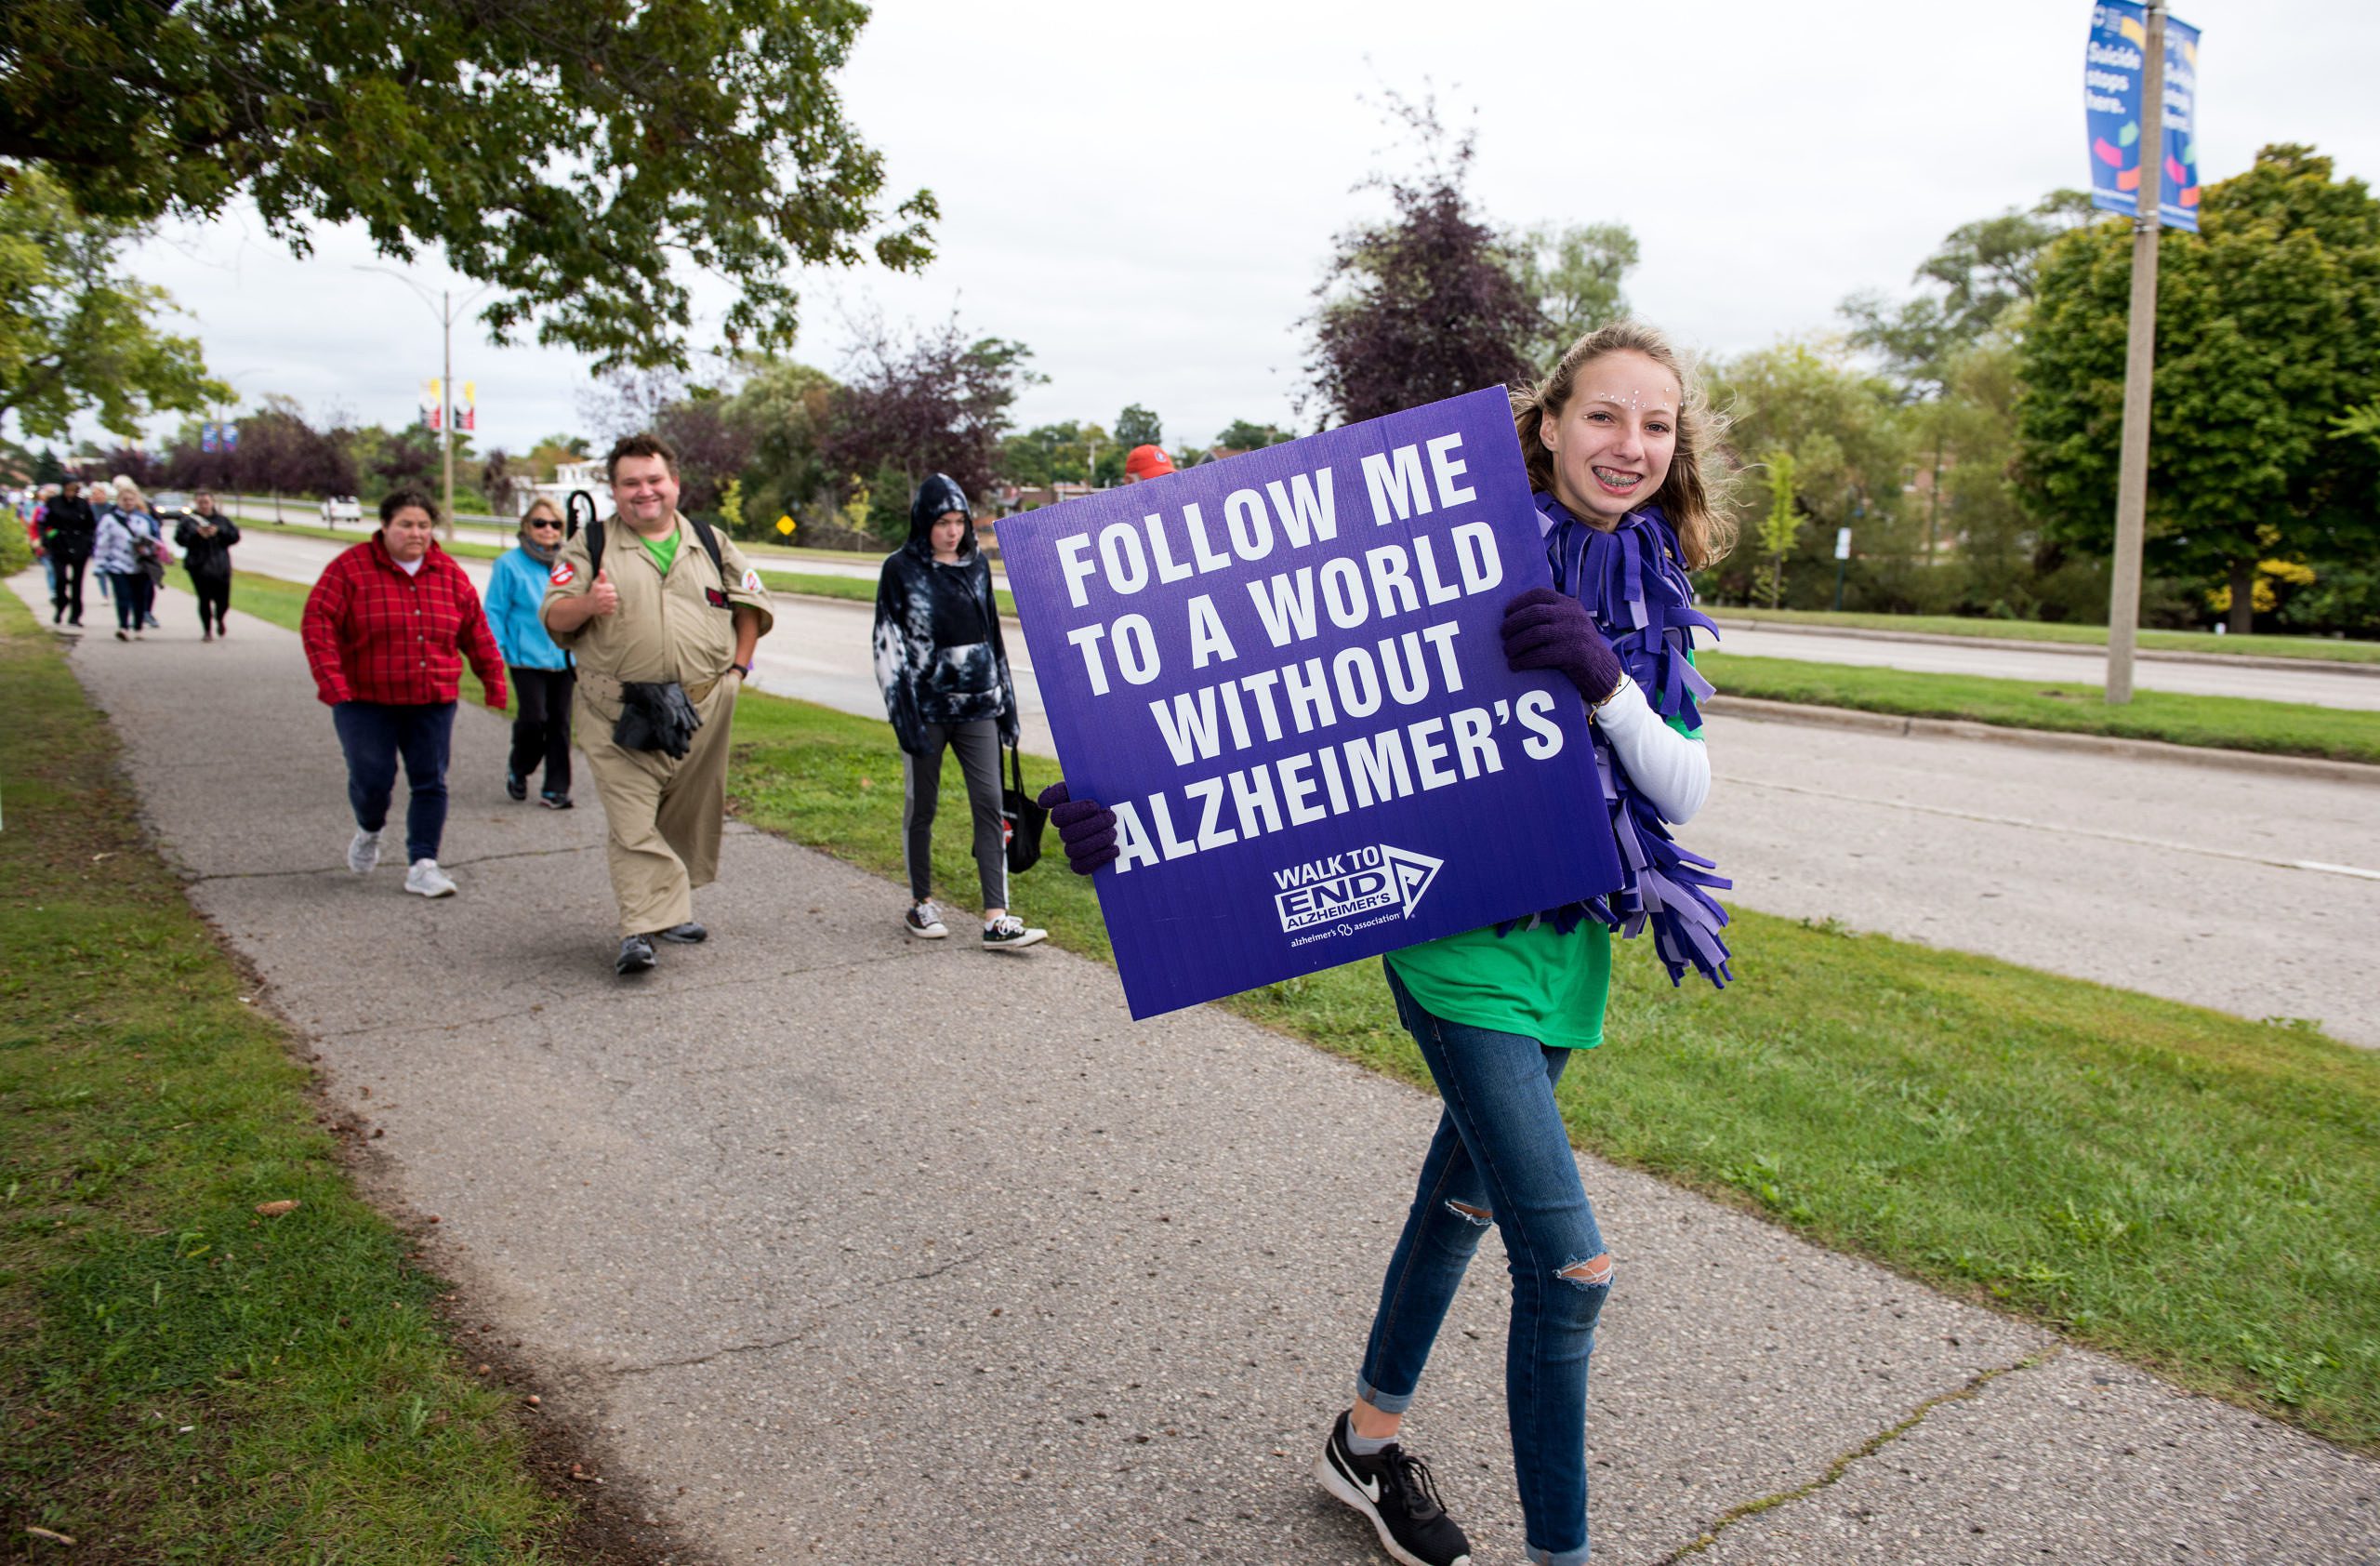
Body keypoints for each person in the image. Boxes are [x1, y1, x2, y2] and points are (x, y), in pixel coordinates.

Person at [1039, 322, 1739, 1566]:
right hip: (1451, 942)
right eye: (1603, 416)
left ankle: (1363, 1443)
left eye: (1657, 424)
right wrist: (1126, 820)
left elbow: (1680, 789)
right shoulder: (1446, 550)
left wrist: (1605, 683)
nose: (1630, 444)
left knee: (1462, 1200)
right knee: (1571, 1272)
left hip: (1567, 948)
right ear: (1549, 424)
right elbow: (1266, 686)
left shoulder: (1652, 578)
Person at [540, 433, 773, 975]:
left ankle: (667, 912)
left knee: (685, 812)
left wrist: (737, 670)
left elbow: (752, 603)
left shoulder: (710, 541)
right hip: (617, 711)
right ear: (614, 490)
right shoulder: (589, 544)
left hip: (702, 706)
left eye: (654, 480)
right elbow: (554, 616)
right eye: (630, 483)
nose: (644, 492)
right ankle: (637, 930)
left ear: (674, 483)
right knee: (632, 821)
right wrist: (587, 603)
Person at [300, 488, 508, 899]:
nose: (416, 533)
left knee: (431, 781)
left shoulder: (449, 574)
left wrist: (493, 680)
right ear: (385, 526)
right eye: (406, 525)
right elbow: (317, 623)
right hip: (363, 699)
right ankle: (369, 829)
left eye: (424, 525)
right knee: (372, 779)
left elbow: (475, 631)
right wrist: (333, 683)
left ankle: (423, 864)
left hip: (431, 699)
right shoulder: (350, 569)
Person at [871, 474, 1046, 952]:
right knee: (921, 806)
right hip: (925, 710)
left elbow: (993, 636)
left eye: (959, 522)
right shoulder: (900, 570)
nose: (952, 532)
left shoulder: (976, 567)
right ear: (923, 523)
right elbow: (887, 646)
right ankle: (921, 902)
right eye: (942, 523)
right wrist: (902, 716)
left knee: (990, 804)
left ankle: (997, 917)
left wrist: (1007, 706)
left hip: (979, 707)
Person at [484, 497, 576, 808]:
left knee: (561, 723)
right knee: (534, 719)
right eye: (540, 523)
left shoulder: (571, 565)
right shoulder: (508, 565)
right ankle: (519, 767)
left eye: (554, 524)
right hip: (525, 657)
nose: (547, 529)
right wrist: (495, 652)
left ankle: (556, 789)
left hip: (564, 657)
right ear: (526, 526)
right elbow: (495, 611)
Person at [91, 483, 164, 641]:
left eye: (131, 499)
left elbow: (156, 541)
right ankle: (123, 626)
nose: (128, 502)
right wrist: (100, 564)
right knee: (122, 595)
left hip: (140, 564)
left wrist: (148, 550)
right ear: (118, 500)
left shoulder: (145, 520)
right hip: (118, 564)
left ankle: (138, 627)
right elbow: (102, 543)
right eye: (124, 499)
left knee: (139, 597)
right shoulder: (110, 520)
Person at [170, 490, 241, 640]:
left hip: (220, 565)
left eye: (206, 502)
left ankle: (220, 618)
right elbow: (179, 540)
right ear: (195, 503)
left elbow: (234, 537)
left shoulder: (221, 520)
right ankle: (207, 631)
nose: (203, 506)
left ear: (212, 502)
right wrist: (197, 534)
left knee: (223, 601)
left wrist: (219, 532)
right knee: (204, 598)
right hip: (198, 565)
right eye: (200, 502)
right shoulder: (188, 521)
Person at [35, 482, 92, 626]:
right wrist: (46, 539)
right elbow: (42, 522)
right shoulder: (53, 503)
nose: (70, 493)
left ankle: (75, 616)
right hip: (59, 544)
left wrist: (87, 542)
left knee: (77, 583)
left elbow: (90, 525)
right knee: (60, 579)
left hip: (79, 546)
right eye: (68, 489)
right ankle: (61, 605)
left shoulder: (82, 504)